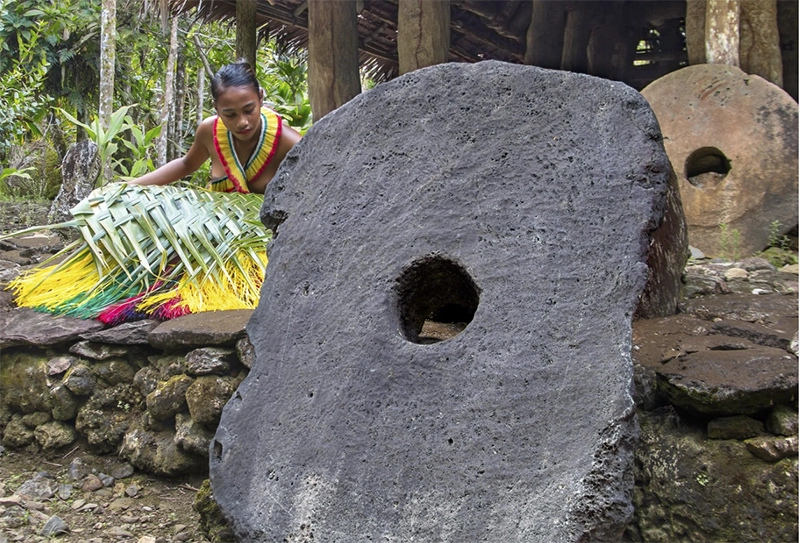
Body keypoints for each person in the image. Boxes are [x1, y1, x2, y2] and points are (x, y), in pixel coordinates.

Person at [129, 60, 302, 194]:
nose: (242, 122)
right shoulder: (209, 131)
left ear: (261, 98)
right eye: (230, 114)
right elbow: (186, 164)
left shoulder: (291, 143)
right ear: (216, 108)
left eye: (249, 110)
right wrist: (129, 186)